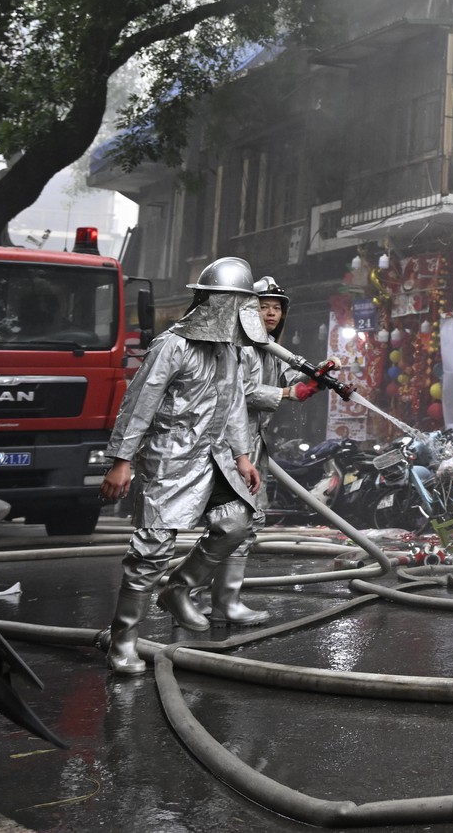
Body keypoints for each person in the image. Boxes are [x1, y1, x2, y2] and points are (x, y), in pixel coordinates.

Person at [96, 257, 265, 675]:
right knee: (150, 553)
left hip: (214, 457)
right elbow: (140, 403)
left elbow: (234, 404)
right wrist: (121, 461)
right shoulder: (172, 345)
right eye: (235, 300)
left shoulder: (230, 350)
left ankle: (180, 588)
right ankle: (123, 641)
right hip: (168, 459)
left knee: (237, 521)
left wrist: (242, 456)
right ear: (210, 300)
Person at [211, 276, 299, 625]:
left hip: (253, 446)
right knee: (233, 524)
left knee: (244, 525)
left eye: (277, 308)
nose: (271, 313)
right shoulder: (241, 348)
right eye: (264, 307)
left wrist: (321, 378)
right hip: (229, 447)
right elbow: (243, 392)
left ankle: (213, 600)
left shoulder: (270, 348)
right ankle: (202, 598)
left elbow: (292, 374)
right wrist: (288, 395)